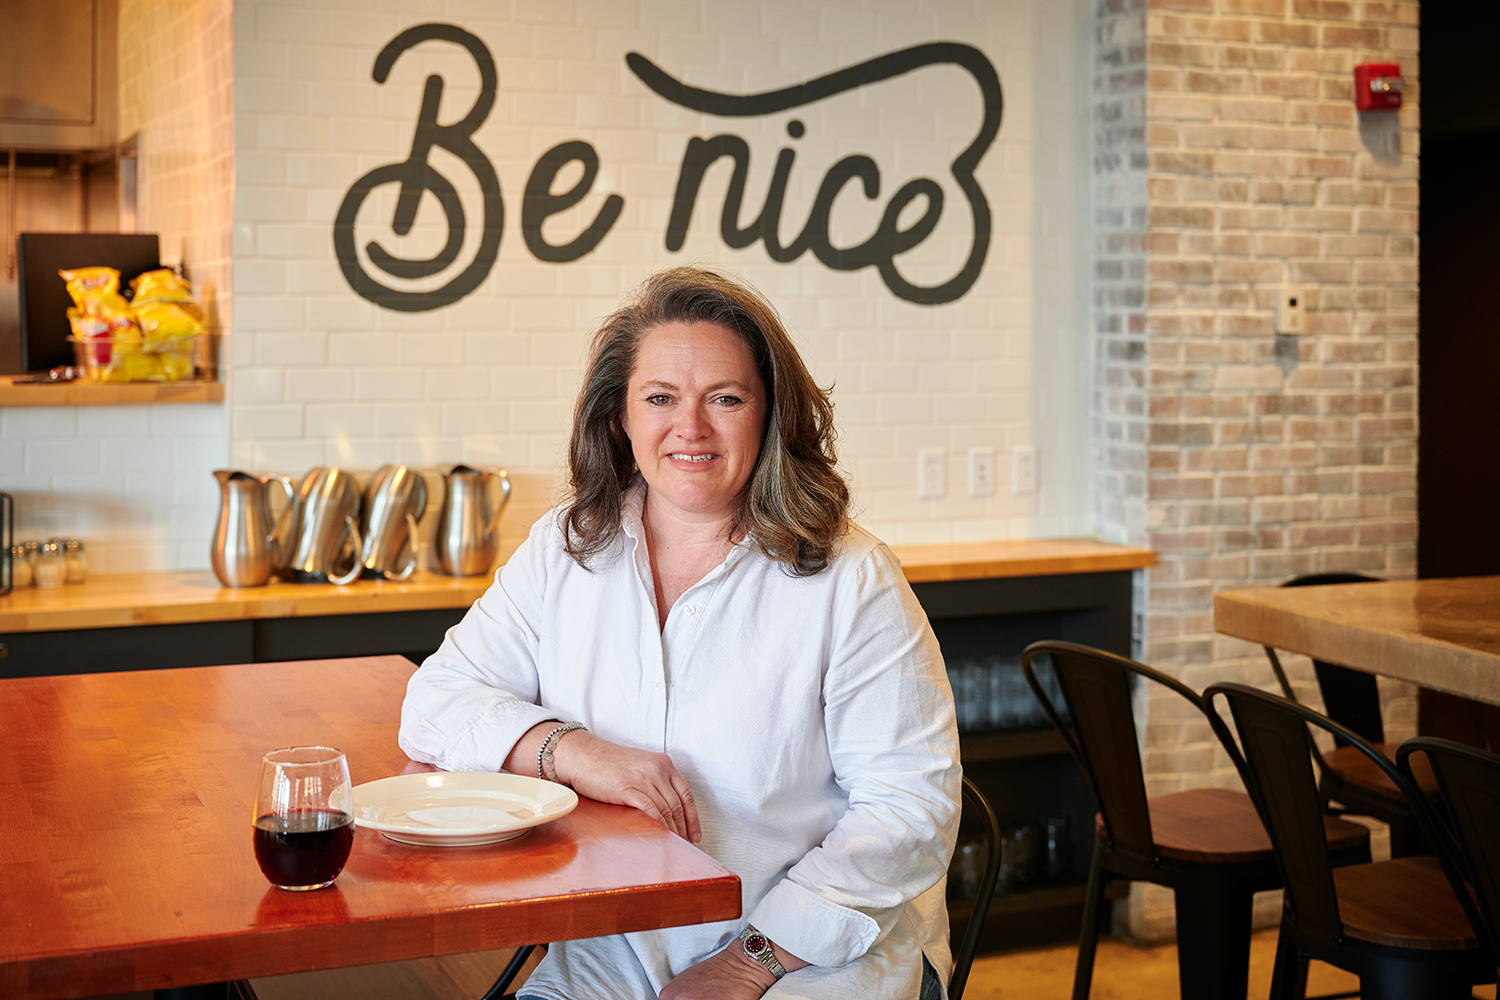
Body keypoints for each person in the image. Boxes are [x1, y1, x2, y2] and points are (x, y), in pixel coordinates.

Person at [399, 266, 961, 1000]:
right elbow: (434, 701)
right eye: (660, 398)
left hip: (815, 947)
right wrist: (569, 750)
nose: (690, 428)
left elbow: (909, 807)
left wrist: (749, 959)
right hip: (619, 941)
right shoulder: (566, 546)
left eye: (725, 399)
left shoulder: (851, 577)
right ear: (620, 418)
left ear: (769, 417)